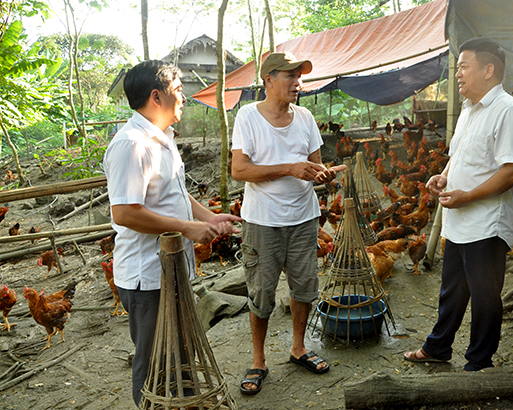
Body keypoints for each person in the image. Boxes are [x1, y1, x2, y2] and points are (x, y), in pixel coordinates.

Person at [103, 60, 241, 406]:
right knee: (153, 363)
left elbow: (175, 194)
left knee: (179, 353)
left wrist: (207, 218)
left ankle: (183, 403)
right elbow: (125, 212)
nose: (184, 98)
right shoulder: (132, 144)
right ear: (156, 96)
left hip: (172, 269)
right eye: (178, 91)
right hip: (146, 277)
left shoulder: (163, 138)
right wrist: (187, 228)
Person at [403, 38, 513, 371]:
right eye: (457, 67)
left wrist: (467, 196)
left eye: (463, 66)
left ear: (488, 70)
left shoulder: (509, 112)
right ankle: (438, 348)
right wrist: (444, 176)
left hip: (487, 222)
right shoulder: (469, 109)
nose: (457, 74)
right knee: (452, 290)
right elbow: (460, 155)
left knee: (485, 296)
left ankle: (479, 361)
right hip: (459, 219)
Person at [231, 52, 343, 395]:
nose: (298, 83)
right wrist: (289, 168)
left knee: (304, 287)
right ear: (268, 80)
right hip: (262, 221)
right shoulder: (248, 117)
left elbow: (314, 166)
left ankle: (298, 347)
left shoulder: (306, 117)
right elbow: (240, 171)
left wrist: (324, 176)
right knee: (262, 292)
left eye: (300, 77)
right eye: (290, 76)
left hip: (303, 217)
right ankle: (259, 359)